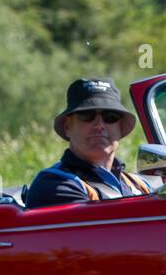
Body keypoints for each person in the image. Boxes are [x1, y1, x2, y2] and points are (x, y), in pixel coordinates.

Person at [24, 77, 153, 207]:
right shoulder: (53, 185)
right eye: (87, 115)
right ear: (67, 126)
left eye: (110, 117)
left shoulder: (139, 185)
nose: (99, 125)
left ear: (120, 128)